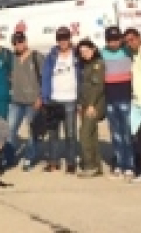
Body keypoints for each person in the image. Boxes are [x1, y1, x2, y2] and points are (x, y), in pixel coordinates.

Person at [40, 26, 80, 173]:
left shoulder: (76, 54)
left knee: (70, 133)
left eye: (65, 38)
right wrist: (45, 96)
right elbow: (45, 76)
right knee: (53, 133)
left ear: (69, 39)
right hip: (54, 99)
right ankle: (54, 161)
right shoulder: (51, 56)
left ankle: (71, 162)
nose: (63, 41)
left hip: (71, 98)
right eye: (60, 39)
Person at [101, 26, 135, 180]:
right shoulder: (102, 53)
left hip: (126, 99)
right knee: (116, 135)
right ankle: (119, 164)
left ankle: (130, 166)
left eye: (116, 39)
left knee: (127, 134)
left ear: (120, 39)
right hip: (110, 100)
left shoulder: (128, 51)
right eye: (110, 40)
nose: (113, 43)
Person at [7, 32, 45, 171]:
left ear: (25, 41)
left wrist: (41, 98)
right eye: (16, 43)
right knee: (10, 130)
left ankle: (29, 157)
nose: (18, 45)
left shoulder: (36, 57)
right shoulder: (12, 58)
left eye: (21, 41)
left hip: (33, 102)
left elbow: (45, 78)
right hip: (16, 101)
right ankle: (10, 158)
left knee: (32, 132)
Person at [76, 39, 106, 178]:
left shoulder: (97, 64)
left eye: (87, 51)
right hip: (85, 104)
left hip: (94, 105)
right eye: (82, 52)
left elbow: (98, 86)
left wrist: (92, 105)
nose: (84, 54)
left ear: (93, 49)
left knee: (84, 134)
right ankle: (96, 166)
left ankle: (90, 165)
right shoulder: (85, 65)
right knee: (92, 135)